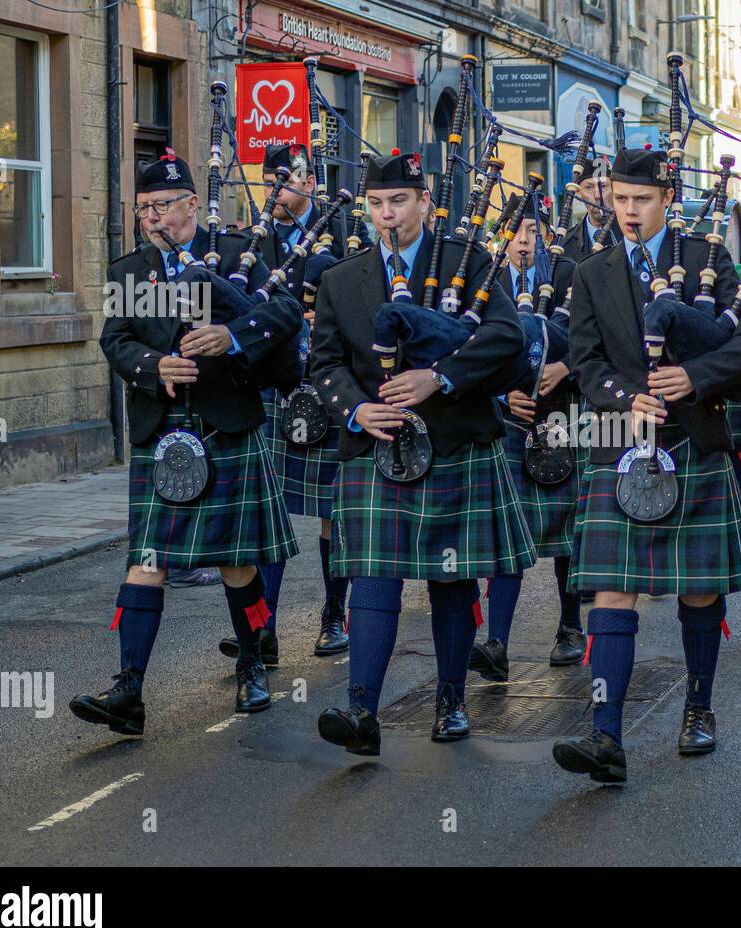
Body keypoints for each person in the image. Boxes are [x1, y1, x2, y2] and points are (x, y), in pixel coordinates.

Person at [553, 145, 741, 783]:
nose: (628, 211)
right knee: (610, 589)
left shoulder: (710, 260)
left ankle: (698, 708)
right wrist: (630, 396)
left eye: (641, 200)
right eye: (619, 199)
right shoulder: (591, 272)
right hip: (622, 439)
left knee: (699, 586)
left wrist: (693, 377)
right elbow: (587, 362)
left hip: (694, 436)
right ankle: (604, 733)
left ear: (666, 201)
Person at [70, 149, 303, 735]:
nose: (152, 218)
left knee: (235, 562)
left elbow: (285, 316)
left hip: (225, 425)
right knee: (146, 560)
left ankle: (252, 663)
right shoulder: (130, 273)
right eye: (144, 208)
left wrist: (231, 335)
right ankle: (129, 690)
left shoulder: (233, 254)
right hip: (164, 432)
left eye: (163, 207)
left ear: (192, 205)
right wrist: (154, 367)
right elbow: (115, 341)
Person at [311, 150, 534, 754]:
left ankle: (452, 700)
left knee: (452, 578)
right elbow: (325, 362)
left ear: (425, 202)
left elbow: (507, 339)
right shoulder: (340, 278)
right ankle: (362, 710)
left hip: (455, 435)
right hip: (378, 445)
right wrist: (356, 408)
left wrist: (441, 377)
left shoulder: (469, 262)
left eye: (400, 201)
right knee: (373, 576)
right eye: (377, 204)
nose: (388, 215)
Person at [220, 143, 350, 667]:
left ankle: (333, 616)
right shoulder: (252, 242)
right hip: (270, 387)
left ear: (310, 182)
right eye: (269, 178)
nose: (276, 188)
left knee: (330, 509)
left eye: (286, 178)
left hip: (324, 384)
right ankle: (264, 627)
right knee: (265, 511)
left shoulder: (344, 232)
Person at [467, 191, 586, 681]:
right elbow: (469, 348)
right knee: (507, 535)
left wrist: (565, 366)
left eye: (534, 231)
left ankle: (570, 626)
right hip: (507, 422)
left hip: (559, 416)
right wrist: (499, 395)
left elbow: (598, 338)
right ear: (501, 235)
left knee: (567, 530)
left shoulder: (568, 274)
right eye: (517, 232)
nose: (525, 242)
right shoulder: (485, 280)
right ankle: (496, 642)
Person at [561, 156, 620, 262]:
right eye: (589, 187)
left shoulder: (632, 236)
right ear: (578, 192)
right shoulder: (565, 245)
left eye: (603, 186)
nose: (598, 195)